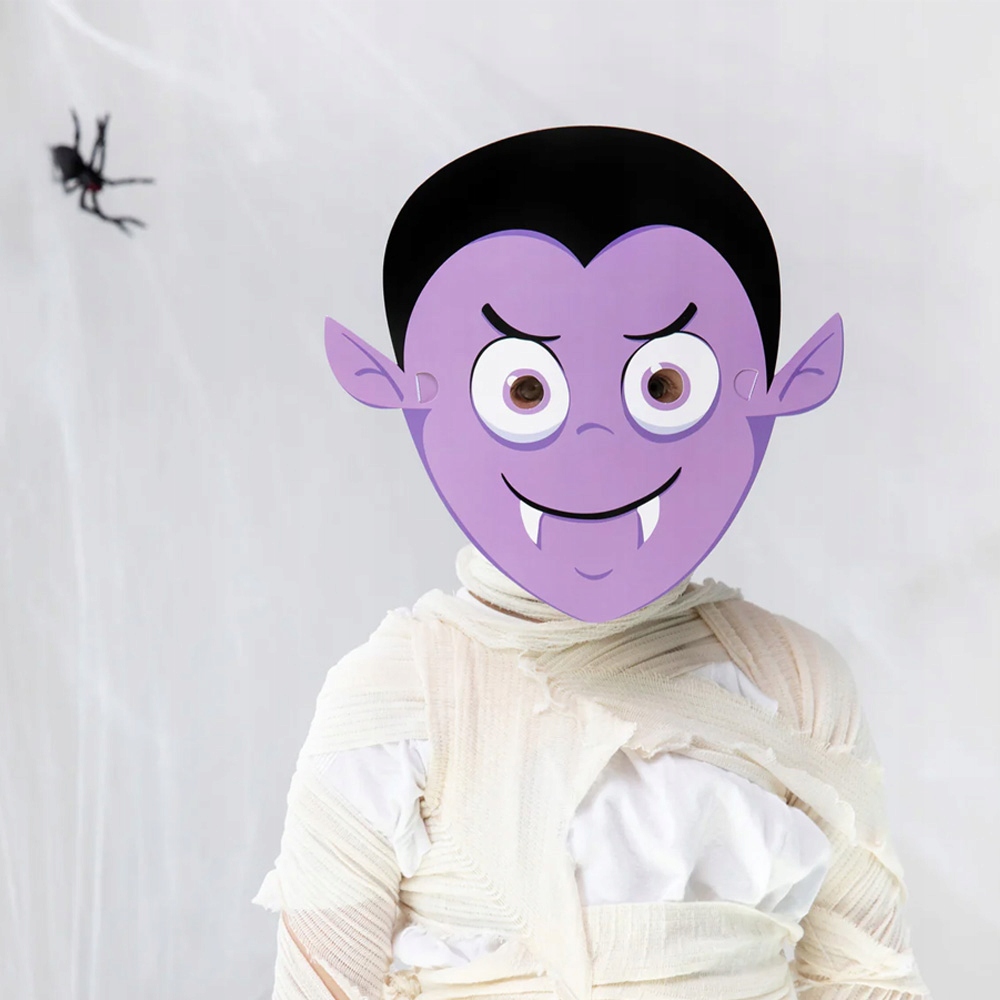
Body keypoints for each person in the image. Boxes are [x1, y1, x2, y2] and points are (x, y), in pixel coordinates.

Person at [256, 127, 929, 1000]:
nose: (595, 445)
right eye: (525, 390)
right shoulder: (394, 701)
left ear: (776, 389)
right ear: (404, 393)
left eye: (662, 385)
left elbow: (867, 979)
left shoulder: (793, 683)